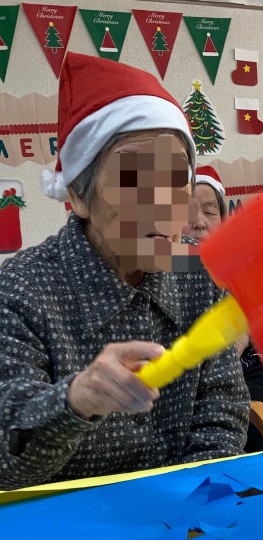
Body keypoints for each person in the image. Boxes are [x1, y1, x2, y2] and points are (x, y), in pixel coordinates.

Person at [0, 53, 249, 491]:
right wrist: (76, 401)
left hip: (184, 509)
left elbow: (223, 415)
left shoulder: (199, 272)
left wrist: (188, 505)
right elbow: (9, 463)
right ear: (78, 196)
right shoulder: (21, 290)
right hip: (65, 519)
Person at [183, 166, 263, 452]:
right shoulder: (157, 268)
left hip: (242, 378)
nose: (199, 223)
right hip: (182, 389)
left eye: (210, 212)